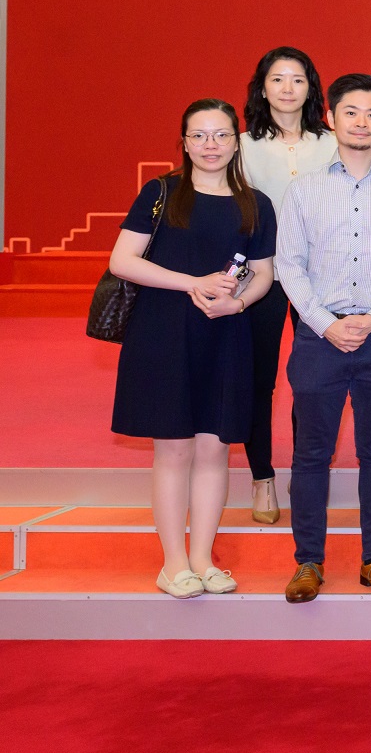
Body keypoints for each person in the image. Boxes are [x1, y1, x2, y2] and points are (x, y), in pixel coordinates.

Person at [109, 100, 276, 598]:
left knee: (215, 448)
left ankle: (203, 558)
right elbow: (122, 260)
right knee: (175, 448)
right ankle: (173, 562)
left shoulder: (256, 203)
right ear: (183, 142)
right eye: (199, 135)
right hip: (164, 333)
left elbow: (264, 273)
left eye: (221, 135)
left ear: (236, 141)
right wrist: (191, 284)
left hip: (224, 332)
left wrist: (237, 303)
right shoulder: (160, 193)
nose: (210, 145)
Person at [275, 77, 371, 604]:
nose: (361, 122)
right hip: (319, 337)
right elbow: (289, 266)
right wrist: (324, 322)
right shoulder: (304, 190)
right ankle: (308, 563)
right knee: (311, 454)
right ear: (331, 120)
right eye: (350, 112)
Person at [238, 46, 336, 524]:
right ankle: (262, 478)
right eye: (278, 79)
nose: (288, 89)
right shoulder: (242, 145)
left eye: (298, 79)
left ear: (311, 88)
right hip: (263, 277)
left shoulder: (332, 142)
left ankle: (307, 474)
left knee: (312, 383)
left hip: (319, 280)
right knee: (259, 379)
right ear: (262, 88)